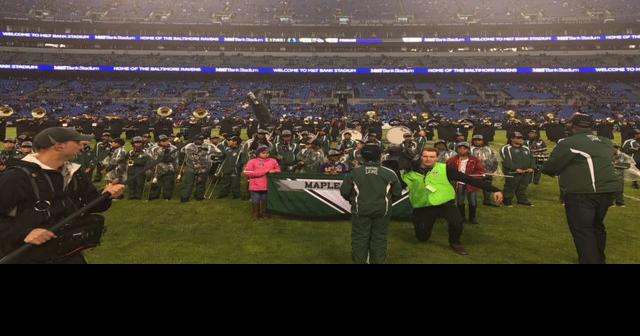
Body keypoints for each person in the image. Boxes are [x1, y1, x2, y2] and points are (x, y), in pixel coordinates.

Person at [0, 127, 125, 264]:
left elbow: (91, 205)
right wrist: (24, 234)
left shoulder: (75, 173)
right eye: (77, 142)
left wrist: (107, 194)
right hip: (27, 256)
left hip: (68, 253)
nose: (81, 146)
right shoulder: (15, 177)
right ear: (59, 146)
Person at [541, 113, 620, 264]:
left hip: (583, 191)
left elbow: (551, 167)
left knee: (583, 230)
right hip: (607, 190)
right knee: (597, 226)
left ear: (571, 126)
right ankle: (599, 259)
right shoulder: (605, 141)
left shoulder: (568, 142)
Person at [402, 147, 503, 255]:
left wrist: (494, 190)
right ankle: (421, 231)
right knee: (422, 237)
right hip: (423, 206)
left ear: (437, 158)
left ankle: (455, 243)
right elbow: (397, 186)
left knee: (457, 222)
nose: (428, 159)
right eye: (425, 156)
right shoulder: (410, 172)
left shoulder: (444, 169)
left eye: (432, 157)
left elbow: (467, 179)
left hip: (444, 203)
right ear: (421, 157)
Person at [340, 144, 402, 264]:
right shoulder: (390, 173)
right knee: (379, 238)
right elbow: (397, 193)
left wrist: (353, 201)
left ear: (362, 157)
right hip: (382, 211)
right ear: (380, 157)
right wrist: (386, 203)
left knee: (359, 238)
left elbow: (345, 192)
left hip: (360, 210)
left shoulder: (354, 172)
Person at [446, 142, 485, 224]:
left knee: (472, 200)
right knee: (460, 200)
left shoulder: (474, 160)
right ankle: (461, 217)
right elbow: (447, 170)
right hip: (459, 183)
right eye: (460, 148)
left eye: (465, 148)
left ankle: (472, 217)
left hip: (471, 183)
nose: (462, 150)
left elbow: (480, 171)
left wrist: (473, 176)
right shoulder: (452, 160)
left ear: (468, 150)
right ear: (457, 149)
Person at [243, 146, 281, 219]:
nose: (266, 154)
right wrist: (264, 172)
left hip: (268, 185)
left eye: (267, 153)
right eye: (263, 153)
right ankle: (255, 214)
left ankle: (264, 213)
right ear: (258, 153)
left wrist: (274, 171)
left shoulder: (273, 161)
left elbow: (278, 169)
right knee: (256, 200)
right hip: (255, 185)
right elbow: (247, 172)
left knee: (265, 200)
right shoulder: (252, 161)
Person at [500, 132, 536, 206]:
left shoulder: (526, 148)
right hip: (512, 172)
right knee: (510, 186)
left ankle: (522, 200)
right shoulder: (506, 148)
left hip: (526, 172)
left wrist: (532, 167)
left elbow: (532, 158)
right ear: (511, 139)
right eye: (518, 138)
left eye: (522, 138)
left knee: (523, 186)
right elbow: (505, 160)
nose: (521, 139)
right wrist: (515, 168)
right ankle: (506, 200)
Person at [180, 135, 213, 202]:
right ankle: (184, 197)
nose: (201, 140)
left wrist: (211, 158)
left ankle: (199, 197)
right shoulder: (188, 146)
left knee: (201, 182)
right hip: (191, 167)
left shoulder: (207, 145)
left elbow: (218, 152)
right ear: (194, 140)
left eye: (202, 139)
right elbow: (182, 151)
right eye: (199, 139)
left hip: (202, 168)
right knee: (188, 183)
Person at [470, 134, 499, 207]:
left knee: (487, 185)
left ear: (483, 141)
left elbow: (495, 160)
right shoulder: (470, 149)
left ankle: (487, 200)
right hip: (475, 172)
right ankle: (472, 201)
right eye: (475, 140)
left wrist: (492, 170)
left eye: (479, 140)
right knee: (473, 187)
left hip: (487, 172)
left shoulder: (489, 149)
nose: (477, 141)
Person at [148, 135, 178, 201]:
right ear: (159, 142)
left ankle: (167, 198)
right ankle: (153, 197)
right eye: (163, 141)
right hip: (156, 169)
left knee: (168, 184)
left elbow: (172, 158)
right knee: (155, 184)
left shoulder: (173, 148)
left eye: (167, 140)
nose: (166, 142)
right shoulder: (153, 148)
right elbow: (151, 158)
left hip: (169, 168)